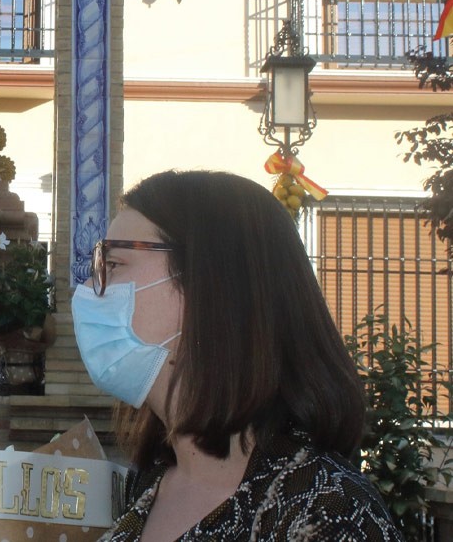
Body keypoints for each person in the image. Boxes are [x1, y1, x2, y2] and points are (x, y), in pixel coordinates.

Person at [71, 170, 402, 541]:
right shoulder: (149, 479)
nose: (90, 287)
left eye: (113, 264)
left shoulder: (329, 513)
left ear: (209, 285)